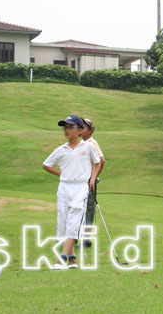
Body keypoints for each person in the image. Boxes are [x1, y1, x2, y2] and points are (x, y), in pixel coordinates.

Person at [42, 114, 101, 269]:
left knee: (74, 221)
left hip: (81, 187)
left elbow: (97, 162)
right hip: (64, 187)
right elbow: (46, 165)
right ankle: (72, 258)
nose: (66, 130)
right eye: (65, 128)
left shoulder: (88, 147)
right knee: (63, 222)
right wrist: (63, 174)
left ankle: (62, 258)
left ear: (80, 130)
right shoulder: (61, 150)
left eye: (70, 127)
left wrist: (93, 178)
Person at [81, 117, 105, 248]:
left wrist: (94, 177)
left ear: (90, 130)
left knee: (88, 209)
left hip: (89, 180)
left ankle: (86, 239)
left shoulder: (92, 143)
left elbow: (101, 160)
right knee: (81, 208)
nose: (80, 129)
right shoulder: (82, 143)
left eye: (83, 127)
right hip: (83, 180)